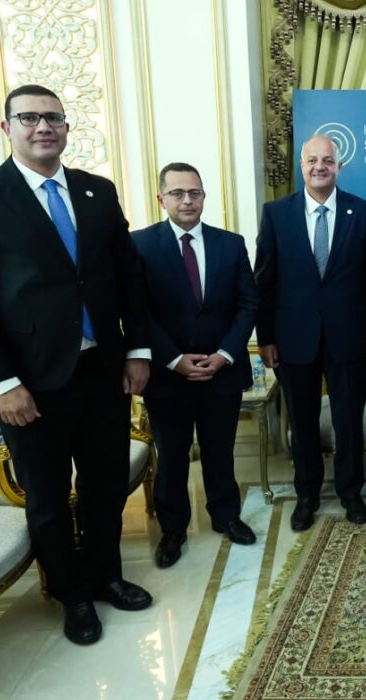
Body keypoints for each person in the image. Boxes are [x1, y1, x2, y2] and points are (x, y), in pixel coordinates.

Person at [0, 84, 153, 645]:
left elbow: (127, 276)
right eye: (29, 117)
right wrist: (1, 383)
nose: (43, 127)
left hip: (102, 371)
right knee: (49, 496)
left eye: (53, 118)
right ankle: (70, 593)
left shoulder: (97, 191)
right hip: (29, 383)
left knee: (106, 486)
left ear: (66, 128)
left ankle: (105, 575)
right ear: (7, 127)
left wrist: (137, 350)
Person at [254, 135, 366, 531]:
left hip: (349, 336)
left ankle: (351, 492)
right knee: (302, 421)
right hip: (293, 338)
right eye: (312, 160)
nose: (319, 167)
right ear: (301, 165)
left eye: (327, 160)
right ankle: (307, 495)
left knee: (349, 420)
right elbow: (265, 280)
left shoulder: (363, 212)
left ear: (339, 167)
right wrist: (266, 338)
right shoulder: (276, 213)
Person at [131, 163, 258, 568]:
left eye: (195, 193)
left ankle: (226, 515)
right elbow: (138, 312)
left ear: (204, 196)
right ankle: (173, 530)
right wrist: (173, 359)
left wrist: (224, 354)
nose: (187, 201)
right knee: (172, 455)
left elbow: (248, 304)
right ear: (161, 198)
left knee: (221, 449)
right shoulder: (139, 245)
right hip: (168, 375)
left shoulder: (231, 244)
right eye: (178, 193)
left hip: (222, 371)